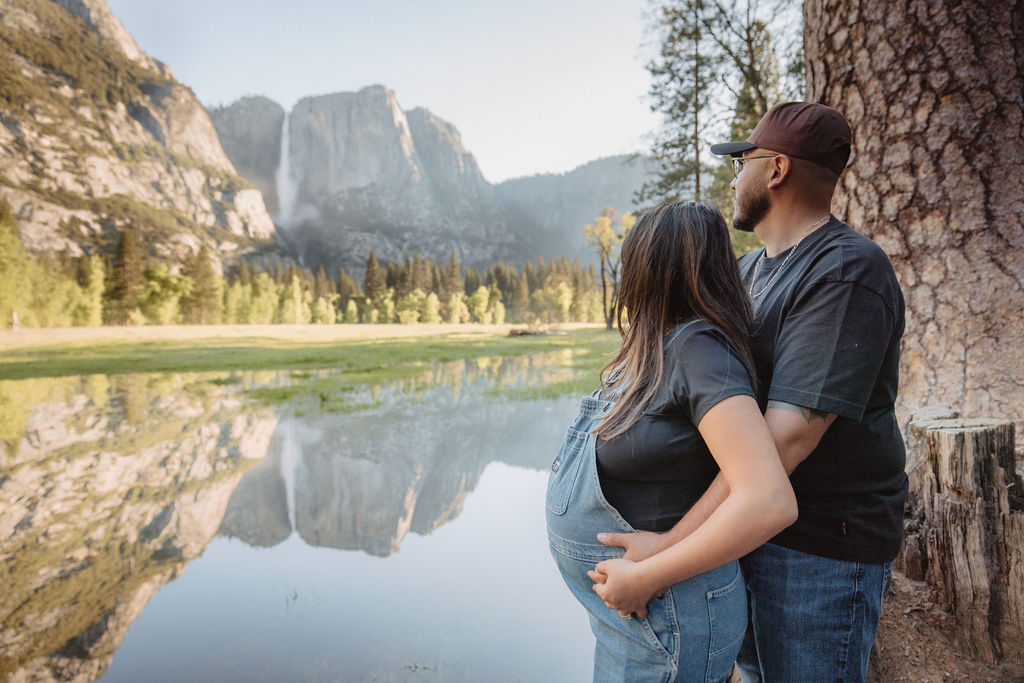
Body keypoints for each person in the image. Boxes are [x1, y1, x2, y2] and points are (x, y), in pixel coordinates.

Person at [595, 102, 908, 683]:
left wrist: (668, 550)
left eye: (742, 161)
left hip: (819, 554)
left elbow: (785, 441)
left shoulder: (845, 271)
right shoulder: (748, 270)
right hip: (751, 536)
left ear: (777, 170)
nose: (734, 176)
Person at [546, 201, 797, 683]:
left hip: (667, 612)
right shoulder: (657, 347)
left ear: (648, 269)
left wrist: (647, 576)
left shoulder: (699, 352)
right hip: (643, 619)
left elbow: (768, 500)